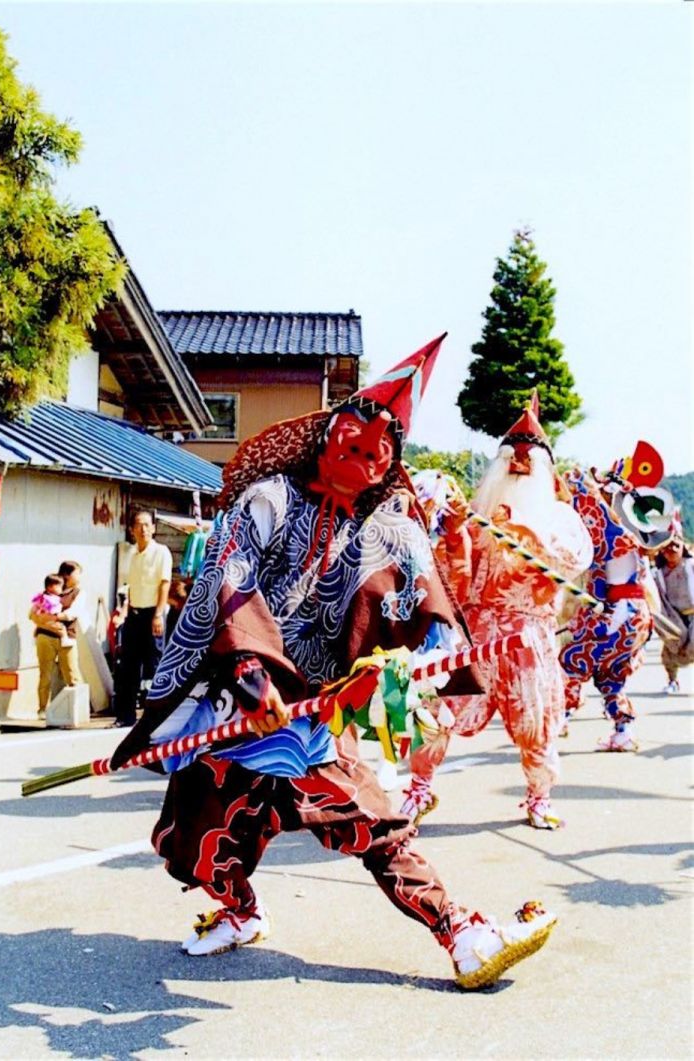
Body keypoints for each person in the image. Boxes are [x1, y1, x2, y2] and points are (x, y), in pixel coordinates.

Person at [110, 338, 557, 990]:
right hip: (238, 702)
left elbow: (427, 608)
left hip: (316, 715)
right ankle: (239, 911)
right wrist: (255, 676)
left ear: (389, 465)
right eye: (360, 431)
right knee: (196, 841)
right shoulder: (267, 498)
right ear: (326, 432)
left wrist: (414, 662)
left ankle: (461, 931)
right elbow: (230, 582)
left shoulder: (391, 528)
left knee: (372, 821)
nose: (371, 448)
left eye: (385, 446)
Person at [399, 394, 593, 830]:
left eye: (528, 460)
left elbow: (576, 558)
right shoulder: (475, 518)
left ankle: (539, 796)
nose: (518, 466)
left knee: (535, 719)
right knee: (437, 707)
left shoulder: (559, 518)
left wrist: (530, 536)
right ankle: (419, 788)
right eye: (510, 459)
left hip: (529, 637)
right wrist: (453, 536)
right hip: (477, 632)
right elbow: (455, 578)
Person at [559, 460, 655, 752]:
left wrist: (584, 618)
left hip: (618, 612)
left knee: (572, 660)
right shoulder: (630, 538)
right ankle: (623, 730)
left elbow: (602, 586)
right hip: (636, 615)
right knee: (610, 675)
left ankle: (559, 719)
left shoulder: (610, 538)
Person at [113, 511, 172, 727]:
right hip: (134, 614)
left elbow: (164, 583)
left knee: (155, 664)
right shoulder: (132, 554)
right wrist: (124, 611)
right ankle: (125, 716)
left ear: (153, 528)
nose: (143, 529)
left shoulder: (161, 552)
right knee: (127, 666)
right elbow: (130, 587)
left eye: (147, 525)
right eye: (138, 525)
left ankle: (156, 717)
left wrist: (158, 614)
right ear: (132, 530)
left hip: (152, 614)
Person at [29, 560, 84, 714]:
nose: (79, 576)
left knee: (72, 674)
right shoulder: (49, 590)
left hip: (67, 637)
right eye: (77, 573)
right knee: (44, 674)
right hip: (45, 636)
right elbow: (32, 613)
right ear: (67, 574)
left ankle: (75, 710)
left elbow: (73, 612)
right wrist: (45, 621)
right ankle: (42, 709)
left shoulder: (78, 593)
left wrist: (53, 617)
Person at [653, 532, 694, 693]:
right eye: (668, 547)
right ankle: (672, 681)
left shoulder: (691, 565)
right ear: (662, 551)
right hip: (673, 616)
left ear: (683, 547)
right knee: (671, 650)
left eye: (676, 546)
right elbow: (659, 601)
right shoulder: (658, 574)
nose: (672, 549)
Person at [30, 574, 73, 647]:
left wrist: (35, 612)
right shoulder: (53, 598)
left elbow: (35, 604)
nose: (61, 589)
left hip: (43, 617)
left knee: (38, 627)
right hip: (50, 618)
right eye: (59, 587)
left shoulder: (42, 596)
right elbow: (53, 609)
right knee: (62, 628)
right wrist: (56, 614)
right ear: (50, 587)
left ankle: (34, 638)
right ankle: (64, 640)